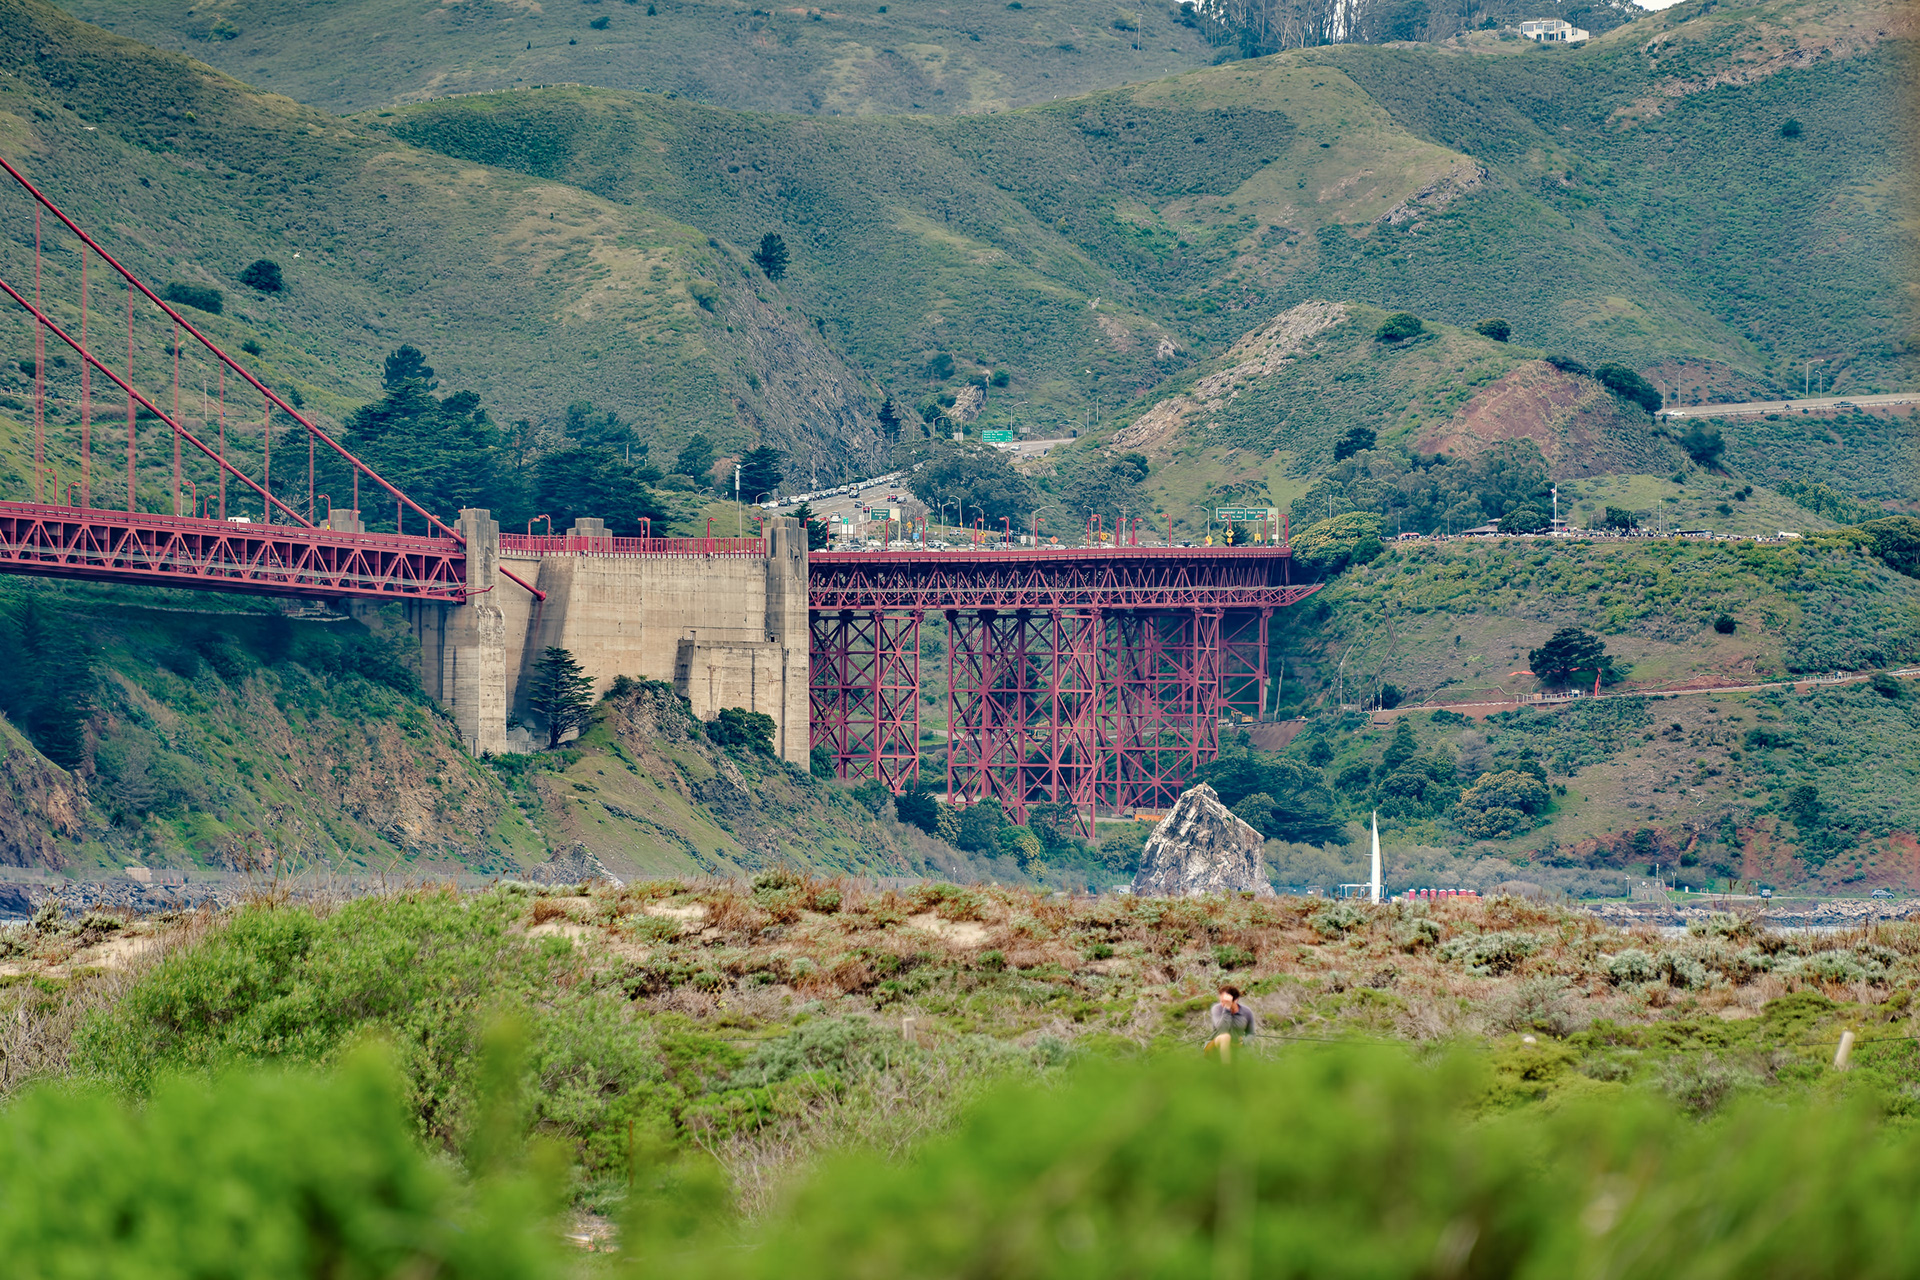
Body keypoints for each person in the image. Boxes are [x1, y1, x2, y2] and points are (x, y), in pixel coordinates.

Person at [1204, 985, 1255, 1060]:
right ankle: (1226, 1069)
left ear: (1235, 1000)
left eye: (1225, 1002)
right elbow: (1222, 1030)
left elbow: (1251, 1034)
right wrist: (1227, 1008)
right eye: (1221, 1001)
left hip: (1234, 1048)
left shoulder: (1246, 1012)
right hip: (1214, 1047)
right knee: (1225, 1037)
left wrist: (1244, 1041)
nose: (1222, 1004)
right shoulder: (1217, 1009)